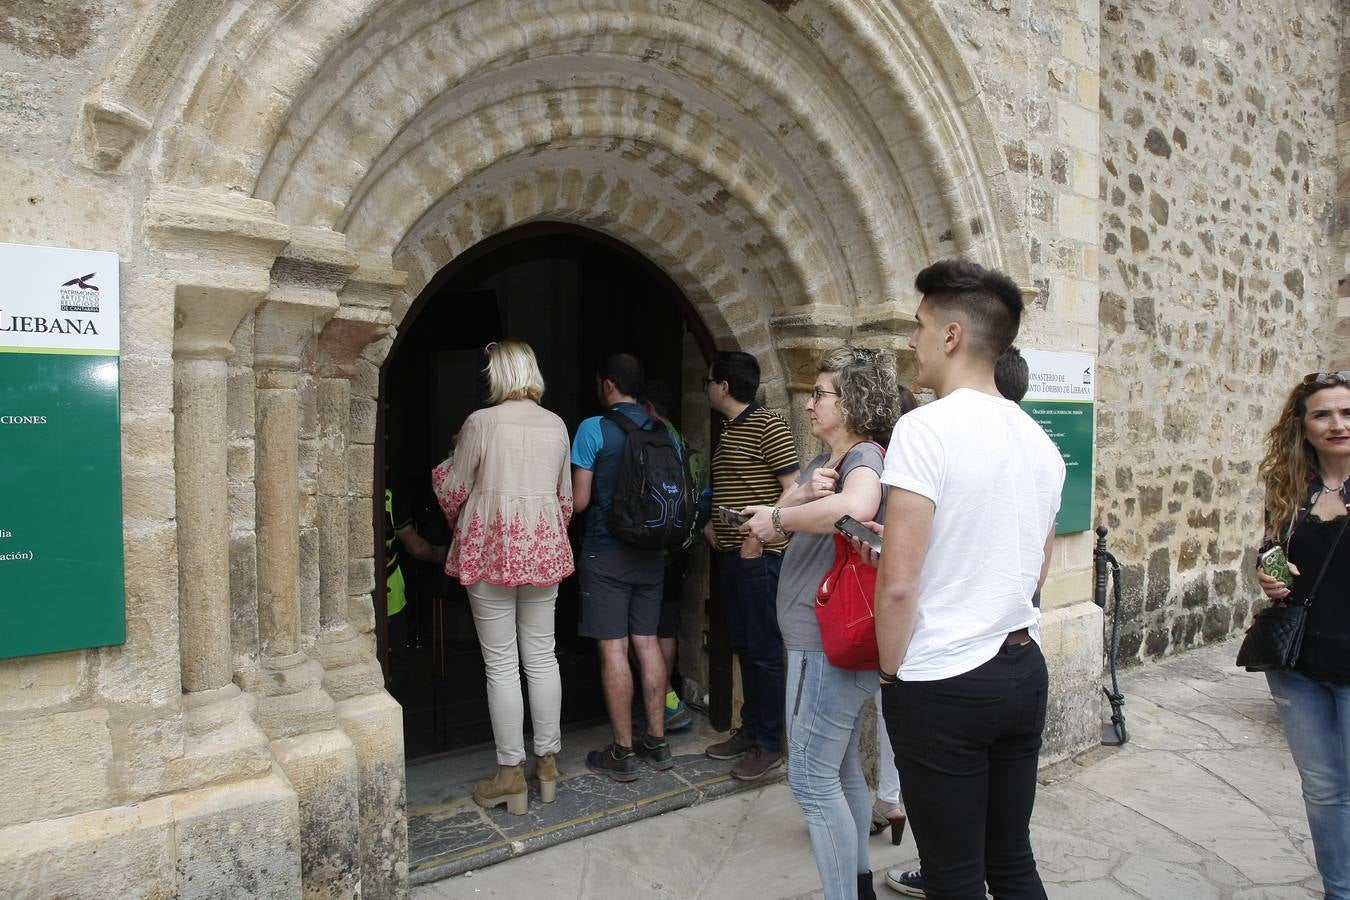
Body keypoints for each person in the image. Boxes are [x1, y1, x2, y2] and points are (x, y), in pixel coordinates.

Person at [874, 259, 1065, 900]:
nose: (912, 340)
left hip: (944, 678)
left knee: (953, 876)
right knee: (1010, 860)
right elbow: (1034, 566)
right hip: (1020, 665)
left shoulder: (924, 428)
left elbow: (898, 584)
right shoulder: (1038, 440)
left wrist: (892, 671)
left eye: (920, 325)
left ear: (952, 335)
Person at [741, 348, 912, 900]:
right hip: (822, 644)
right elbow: (766, 528)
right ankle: (858, 886)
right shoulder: (828, 463)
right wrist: (791, 503)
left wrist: (781, 516)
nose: (810, 404)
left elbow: (859, 506)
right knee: (838, 774)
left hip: (825, 647)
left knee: (810, 780)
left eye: (820, 394)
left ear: (853, 402)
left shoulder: (862, 458)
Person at [431, 341, 574, 816]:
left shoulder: (481, 422)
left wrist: (451, 469)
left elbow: (454, 490)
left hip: (490, 545)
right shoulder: (556, 423)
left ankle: (510, 774)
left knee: (501, 663)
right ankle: (548, 763)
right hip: (544, 543)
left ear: (498, 373)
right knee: (542, 654)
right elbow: (566, 499)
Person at [1255, 370, 1350, 900]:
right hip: (1297, 663)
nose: (1338, 424)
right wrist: (1267, 574)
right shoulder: (1290, 486)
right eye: (1323, 414)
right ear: (1304, 425)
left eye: (1347, 413)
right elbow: (1272, 549)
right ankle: (1339, 891)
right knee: (1323, 789)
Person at [572, 353, 672, 781]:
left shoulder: (593, 429)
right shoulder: (662, 429)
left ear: (608, 385)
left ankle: (623, 751)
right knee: (646, 643)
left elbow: (578, 502)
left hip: (606, 552)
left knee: (614, 649)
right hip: (651, 552)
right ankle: (657, 740)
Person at [702, 350, 800, 780]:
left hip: (759, 559)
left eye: (709, 381)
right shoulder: (730, 428)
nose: (705, 388)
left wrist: (760, 535)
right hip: (730, 555)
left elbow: (794, 489)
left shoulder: (768, 424)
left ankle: (767, 743)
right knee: (743, 645)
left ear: (723, 386)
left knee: (763, 651)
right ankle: (751, 730)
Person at [638, 380, 703, 733]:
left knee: (645, 634)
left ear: (648, 407)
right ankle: (669, 698)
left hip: (653, 549)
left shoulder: (654, 437)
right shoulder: (684, 442)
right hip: (681, 546)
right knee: (666, 629)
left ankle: (666, 703)